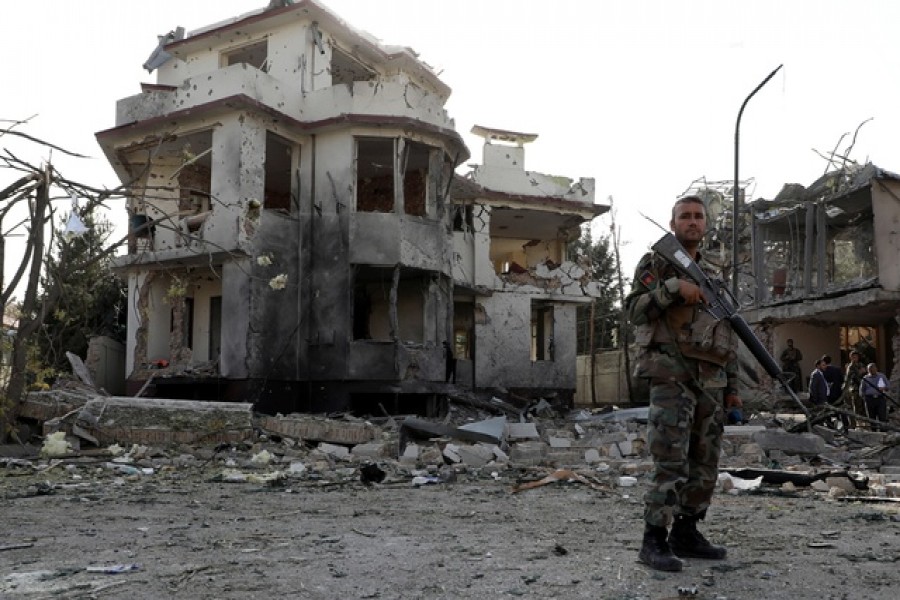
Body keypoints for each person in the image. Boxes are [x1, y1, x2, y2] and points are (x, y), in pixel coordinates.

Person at [625, 194, 740, 573]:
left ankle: (686, 532)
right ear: (673, 224)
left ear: (705, 225)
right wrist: (672, 289)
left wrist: (733, 387)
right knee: (670, 458)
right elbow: (634, 311)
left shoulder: (714, 273)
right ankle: (653, 539)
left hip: (711, 378)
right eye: (685, 217)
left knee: (705, 460)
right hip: (671, 373)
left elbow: (728, 334)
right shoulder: (658, 262)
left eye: (698, 217)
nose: (692, 222)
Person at [842, 350, 867, 427]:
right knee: (856, 405)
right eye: (853, 357)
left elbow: (865, 372)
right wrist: (860, 372)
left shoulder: (861, 364)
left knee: (862, 406)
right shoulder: (851, 366)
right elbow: (853, 376)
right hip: (854, 388)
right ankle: (857, 423)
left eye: (856, 357)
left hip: (862, 387)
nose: (854, 358)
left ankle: (863, 421)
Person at [860, 363, 889, 430]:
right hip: (869, 399)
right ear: (868, 370)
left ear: (876, 369)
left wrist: (884, 388)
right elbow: (862, 390)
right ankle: (873, 431)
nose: (872, 371)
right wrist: (864, 398)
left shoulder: (882, 376)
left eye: (873, 369)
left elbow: (888, 386)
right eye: (870, 369)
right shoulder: (865, 378)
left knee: (882, 416)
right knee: (871, 417)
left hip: (880, 398)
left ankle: (883, 432)